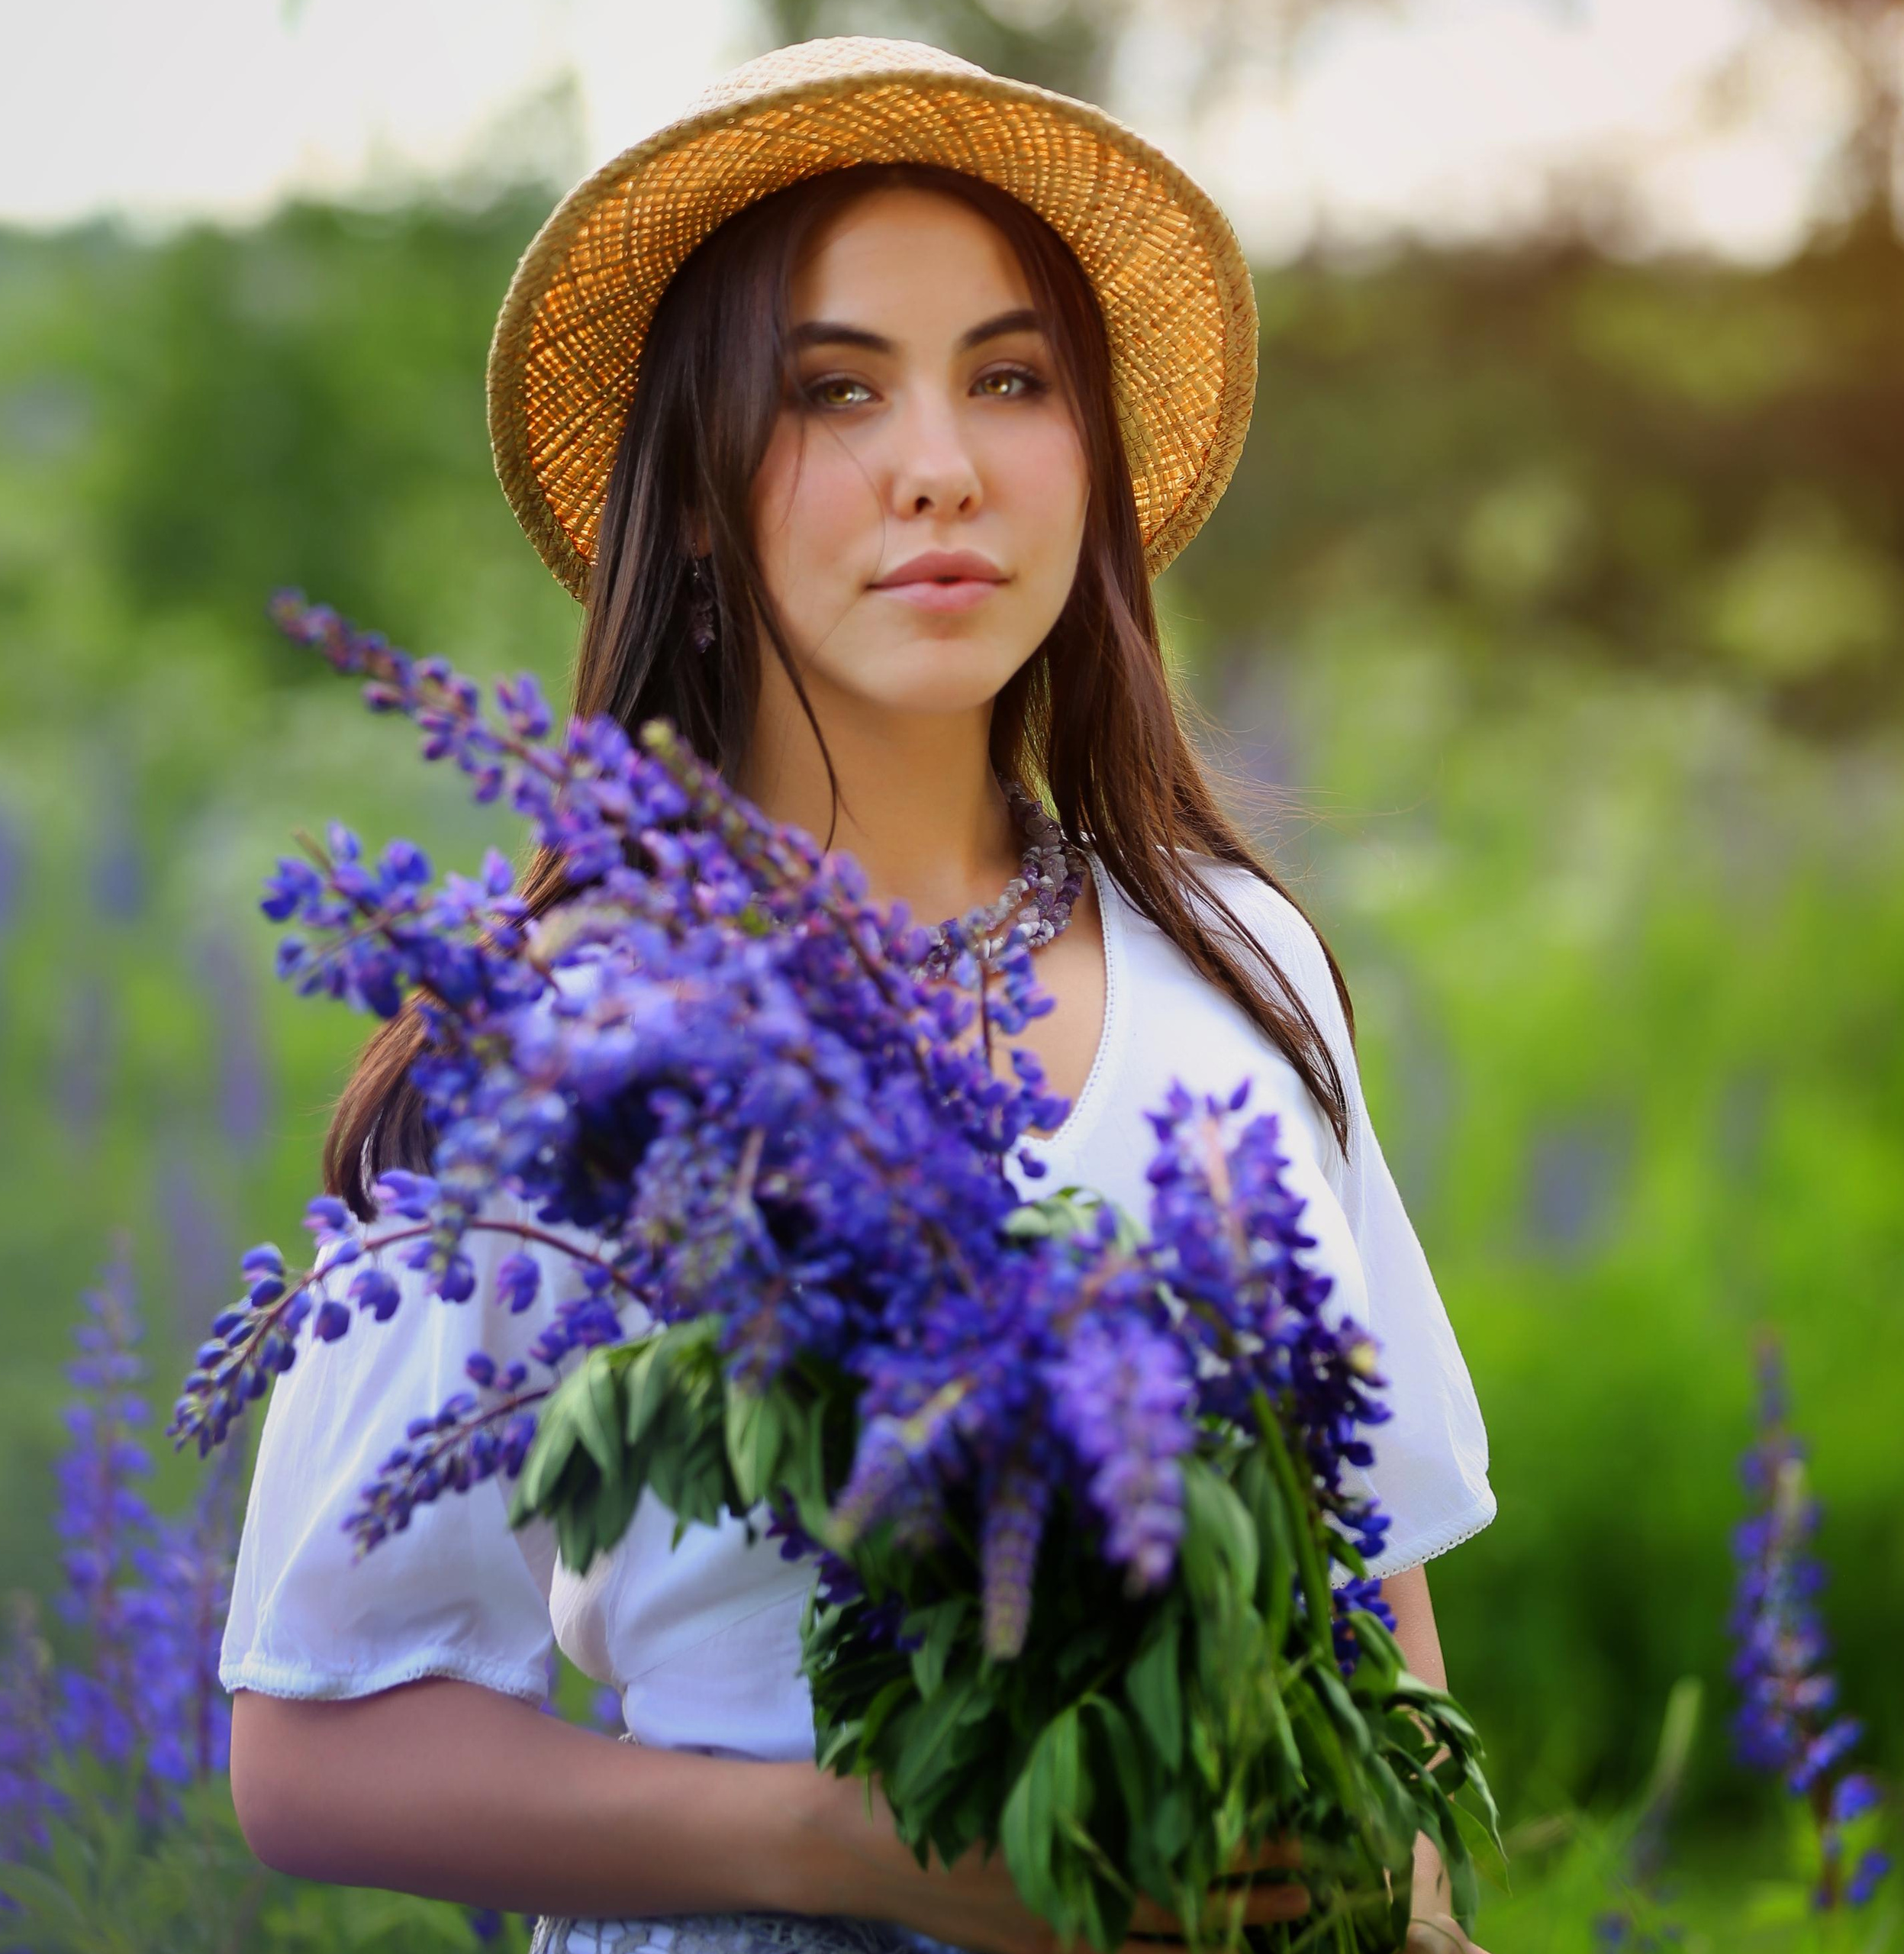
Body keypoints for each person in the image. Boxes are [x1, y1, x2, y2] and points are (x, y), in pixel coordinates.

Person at [220, 36, 1499, 1954]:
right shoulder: (560, 1041)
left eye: (1009, 378)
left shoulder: (1236, 956)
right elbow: (310, 1755)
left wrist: (1405, 1903)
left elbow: (1365, 1559)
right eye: (834, 389)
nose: (940, 464)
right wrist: (854, 1846)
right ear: (705, 495)